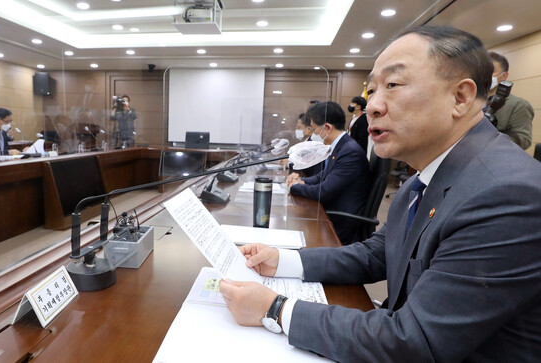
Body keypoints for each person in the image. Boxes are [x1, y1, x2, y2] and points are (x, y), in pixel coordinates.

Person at [219, 26, 541, 362]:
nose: (372, 105)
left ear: (459, 97)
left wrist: (276, 309)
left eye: (393, 85)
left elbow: (416, 341)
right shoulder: (428, 176)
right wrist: (282, 260)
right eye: (372, 90)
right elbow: (377, 253)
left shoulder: (507, 193)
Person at [286, 101, 370, 244]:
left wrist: (295, 187)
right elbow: (323, 175)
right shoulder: (341, 146)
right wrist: (302, 181)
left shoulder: (350, 152)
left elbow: (324, 191)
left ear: (327, 127)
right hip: (330, 211)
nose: (313, 134)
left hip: (339, 221)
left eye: (314, 129)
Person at [486, 51, 534, 150]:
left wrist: (490, 138)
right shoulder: (469, 101)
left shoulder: (519, 105)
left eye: (490, 71)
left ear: (504, 76)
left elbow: (524, 140)